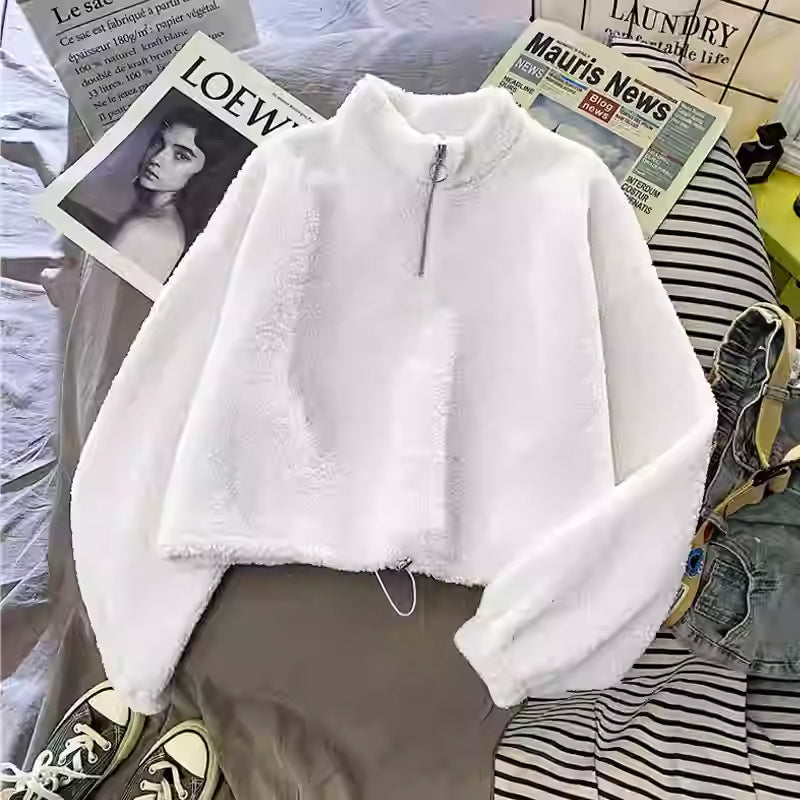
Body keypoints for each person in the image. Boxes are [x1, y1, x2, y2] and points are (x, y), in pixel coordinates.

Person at [111, 106, 228, 282]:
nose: (156, 159)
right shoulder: (154, 220)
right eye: (159, 143)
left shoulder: (145, 230)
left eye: (181, 156)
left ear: (202, 172)